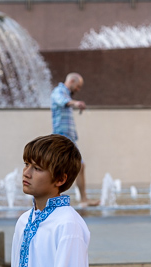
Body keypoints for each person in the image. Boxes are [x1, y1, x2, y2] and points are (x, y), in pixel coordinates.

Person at [11, 134, 90, 267]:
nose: (26, 173)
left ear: (60, 179)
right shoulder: (24, 221)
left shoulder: (68, 224)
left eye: (37, 168)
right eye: (26, 164)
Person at [51, 72, 99, 206]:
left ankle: (83, 199)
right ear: (71, 81)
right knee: (58, 168)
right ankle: (48, 198)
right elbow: (61, 101)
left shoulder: (66, 94)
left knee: (78, 166)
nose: (78, 90)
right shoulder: (59, 91)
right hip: (61, 137)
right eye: (78, 87)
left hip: (68, 137)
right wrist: (76, 103)